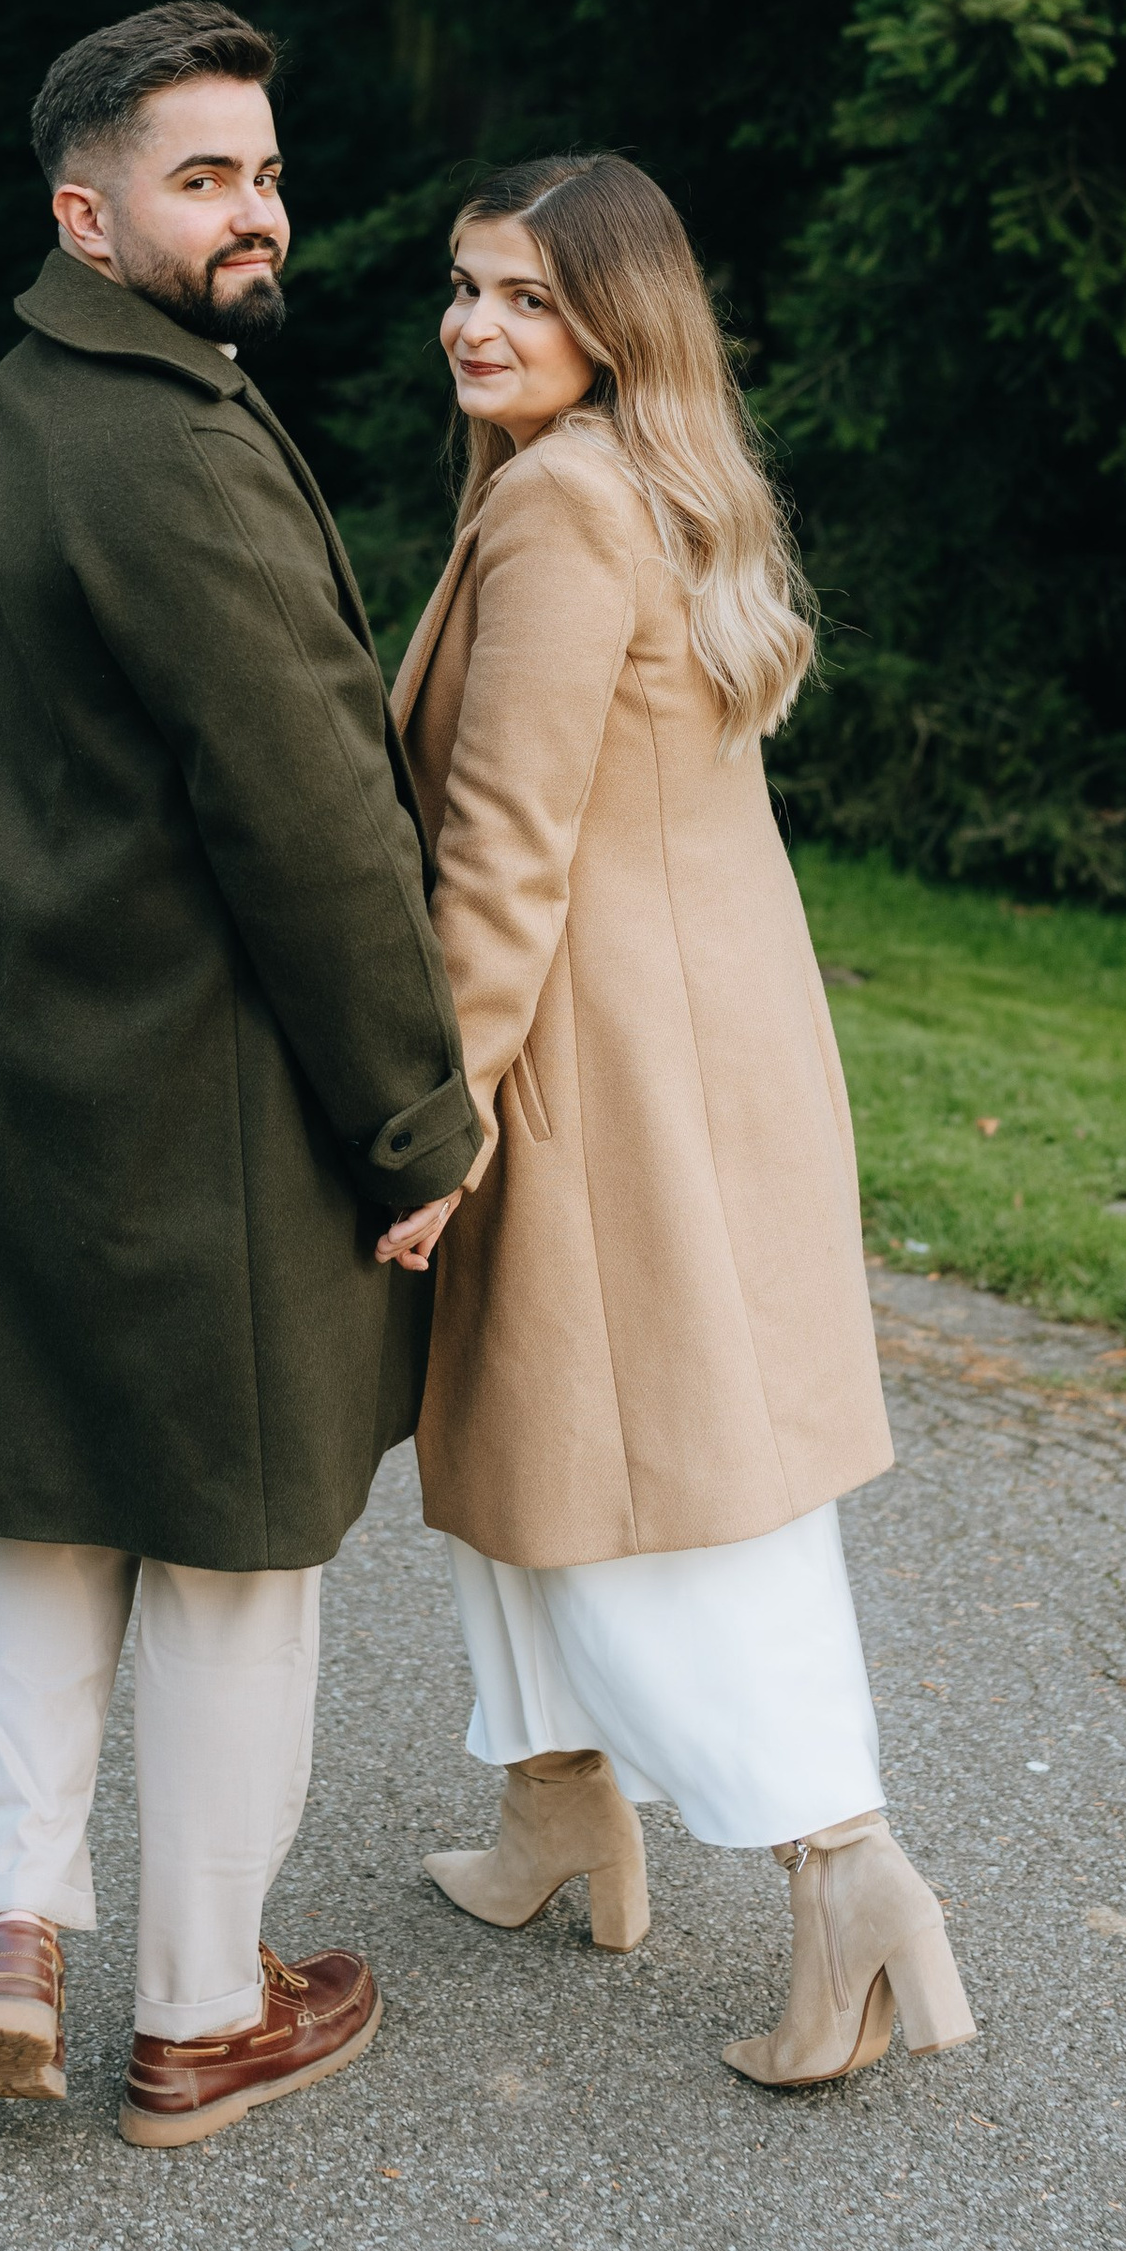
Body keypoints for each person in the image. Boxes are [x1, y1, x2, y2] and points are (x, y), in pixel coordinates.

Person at [0, 2, 481, 2145]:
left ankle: (14, 1929)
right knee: (231, 1547)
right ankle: (206, 2014)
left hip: (20, 1079)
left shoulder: (23, 408)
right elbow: (308, 811)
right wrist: (415, 1115)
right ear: (87, 209)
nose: (255, 211)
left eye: (265, 170)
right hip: (194, 1102)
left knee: (46, 1505)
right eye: (202, 176)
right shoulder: (170, 443)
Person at [382, 153, 975, 2088]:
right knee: (526, 1442)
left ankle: (846, 1875)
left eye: (529, 300)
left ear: (613, 329)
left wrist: (436, 1116)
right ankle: (561, 1812)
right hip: (698, 1055)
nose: (479, 324)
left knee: (642, 1492)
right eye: (467, 285)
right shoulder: (641, 484)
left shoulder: (561, 507)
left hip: (597, 1077)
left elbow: (502, 854)